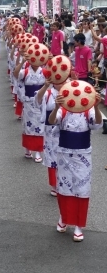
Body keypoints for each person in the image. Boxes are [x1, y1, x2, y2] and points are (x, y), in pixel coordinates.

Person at [48, 91, 102, 242]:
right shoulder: (63, 108)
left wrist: (96, 107)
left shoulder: (88, 109)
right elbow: (52, 121)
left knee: (82, 189)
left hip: (83, 155)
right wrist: (56, 106)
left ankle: (79, 225)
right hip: (64, 154)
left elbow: (96, 124)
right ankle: (63, 218)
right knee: (64, 188)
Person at [14, 51, 45, 162]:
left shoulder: (44, 72)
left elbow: (55, 79)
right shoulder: (26, 71)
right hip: (28, 102)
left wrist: (50, 60)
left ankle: (37, 151)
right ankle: (28, 149)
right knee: (28, 126)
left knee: (40, 126)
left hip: (40, 102)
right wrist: (22, 61)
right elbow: (15, 74)